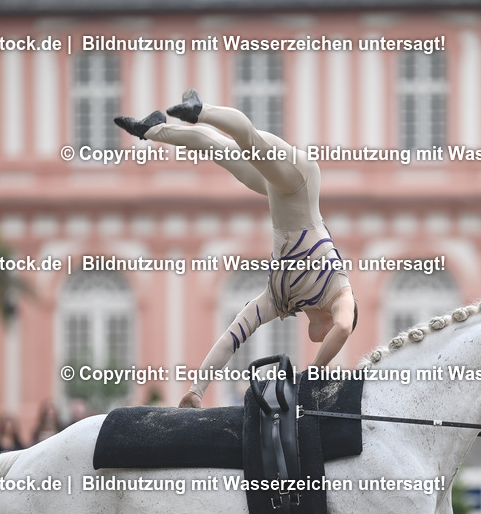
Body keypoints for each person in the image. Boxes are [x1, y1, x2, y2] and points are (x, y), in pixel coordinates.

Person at [116, 90, 357, 408]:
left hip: (276, 191)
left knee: (217, 148)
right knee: (250, 142)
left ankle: (152, 128)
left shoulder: (279, 299)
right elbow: (341, 328)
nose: (318, 337)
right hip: (301, 180)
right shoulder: (338, 293)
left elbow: (233, 335)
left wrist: (196, 391)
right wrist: (310, 378)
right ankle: (200, 110)